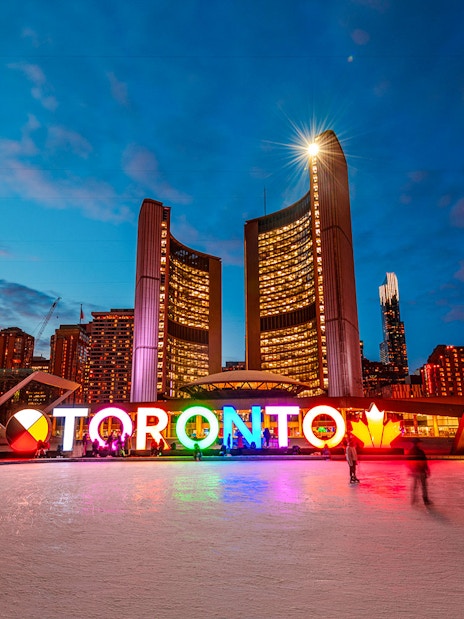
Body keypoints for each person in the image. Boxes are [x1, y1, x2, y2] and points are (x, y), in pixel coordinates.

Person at [409, 438, 431, 505]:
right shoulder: (420, 452)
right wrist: (427, 469)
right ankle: (425, 500)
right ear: (417, 443)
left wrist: (411, 469)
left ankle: (414, 499)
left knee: (415, 486)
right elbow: (424, 461)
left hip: (416, 471)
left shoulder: (411, 451)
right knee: (423, 486)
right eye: (419, 442)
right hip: (420, 471)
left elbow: (409, 462)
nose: (420, 444)